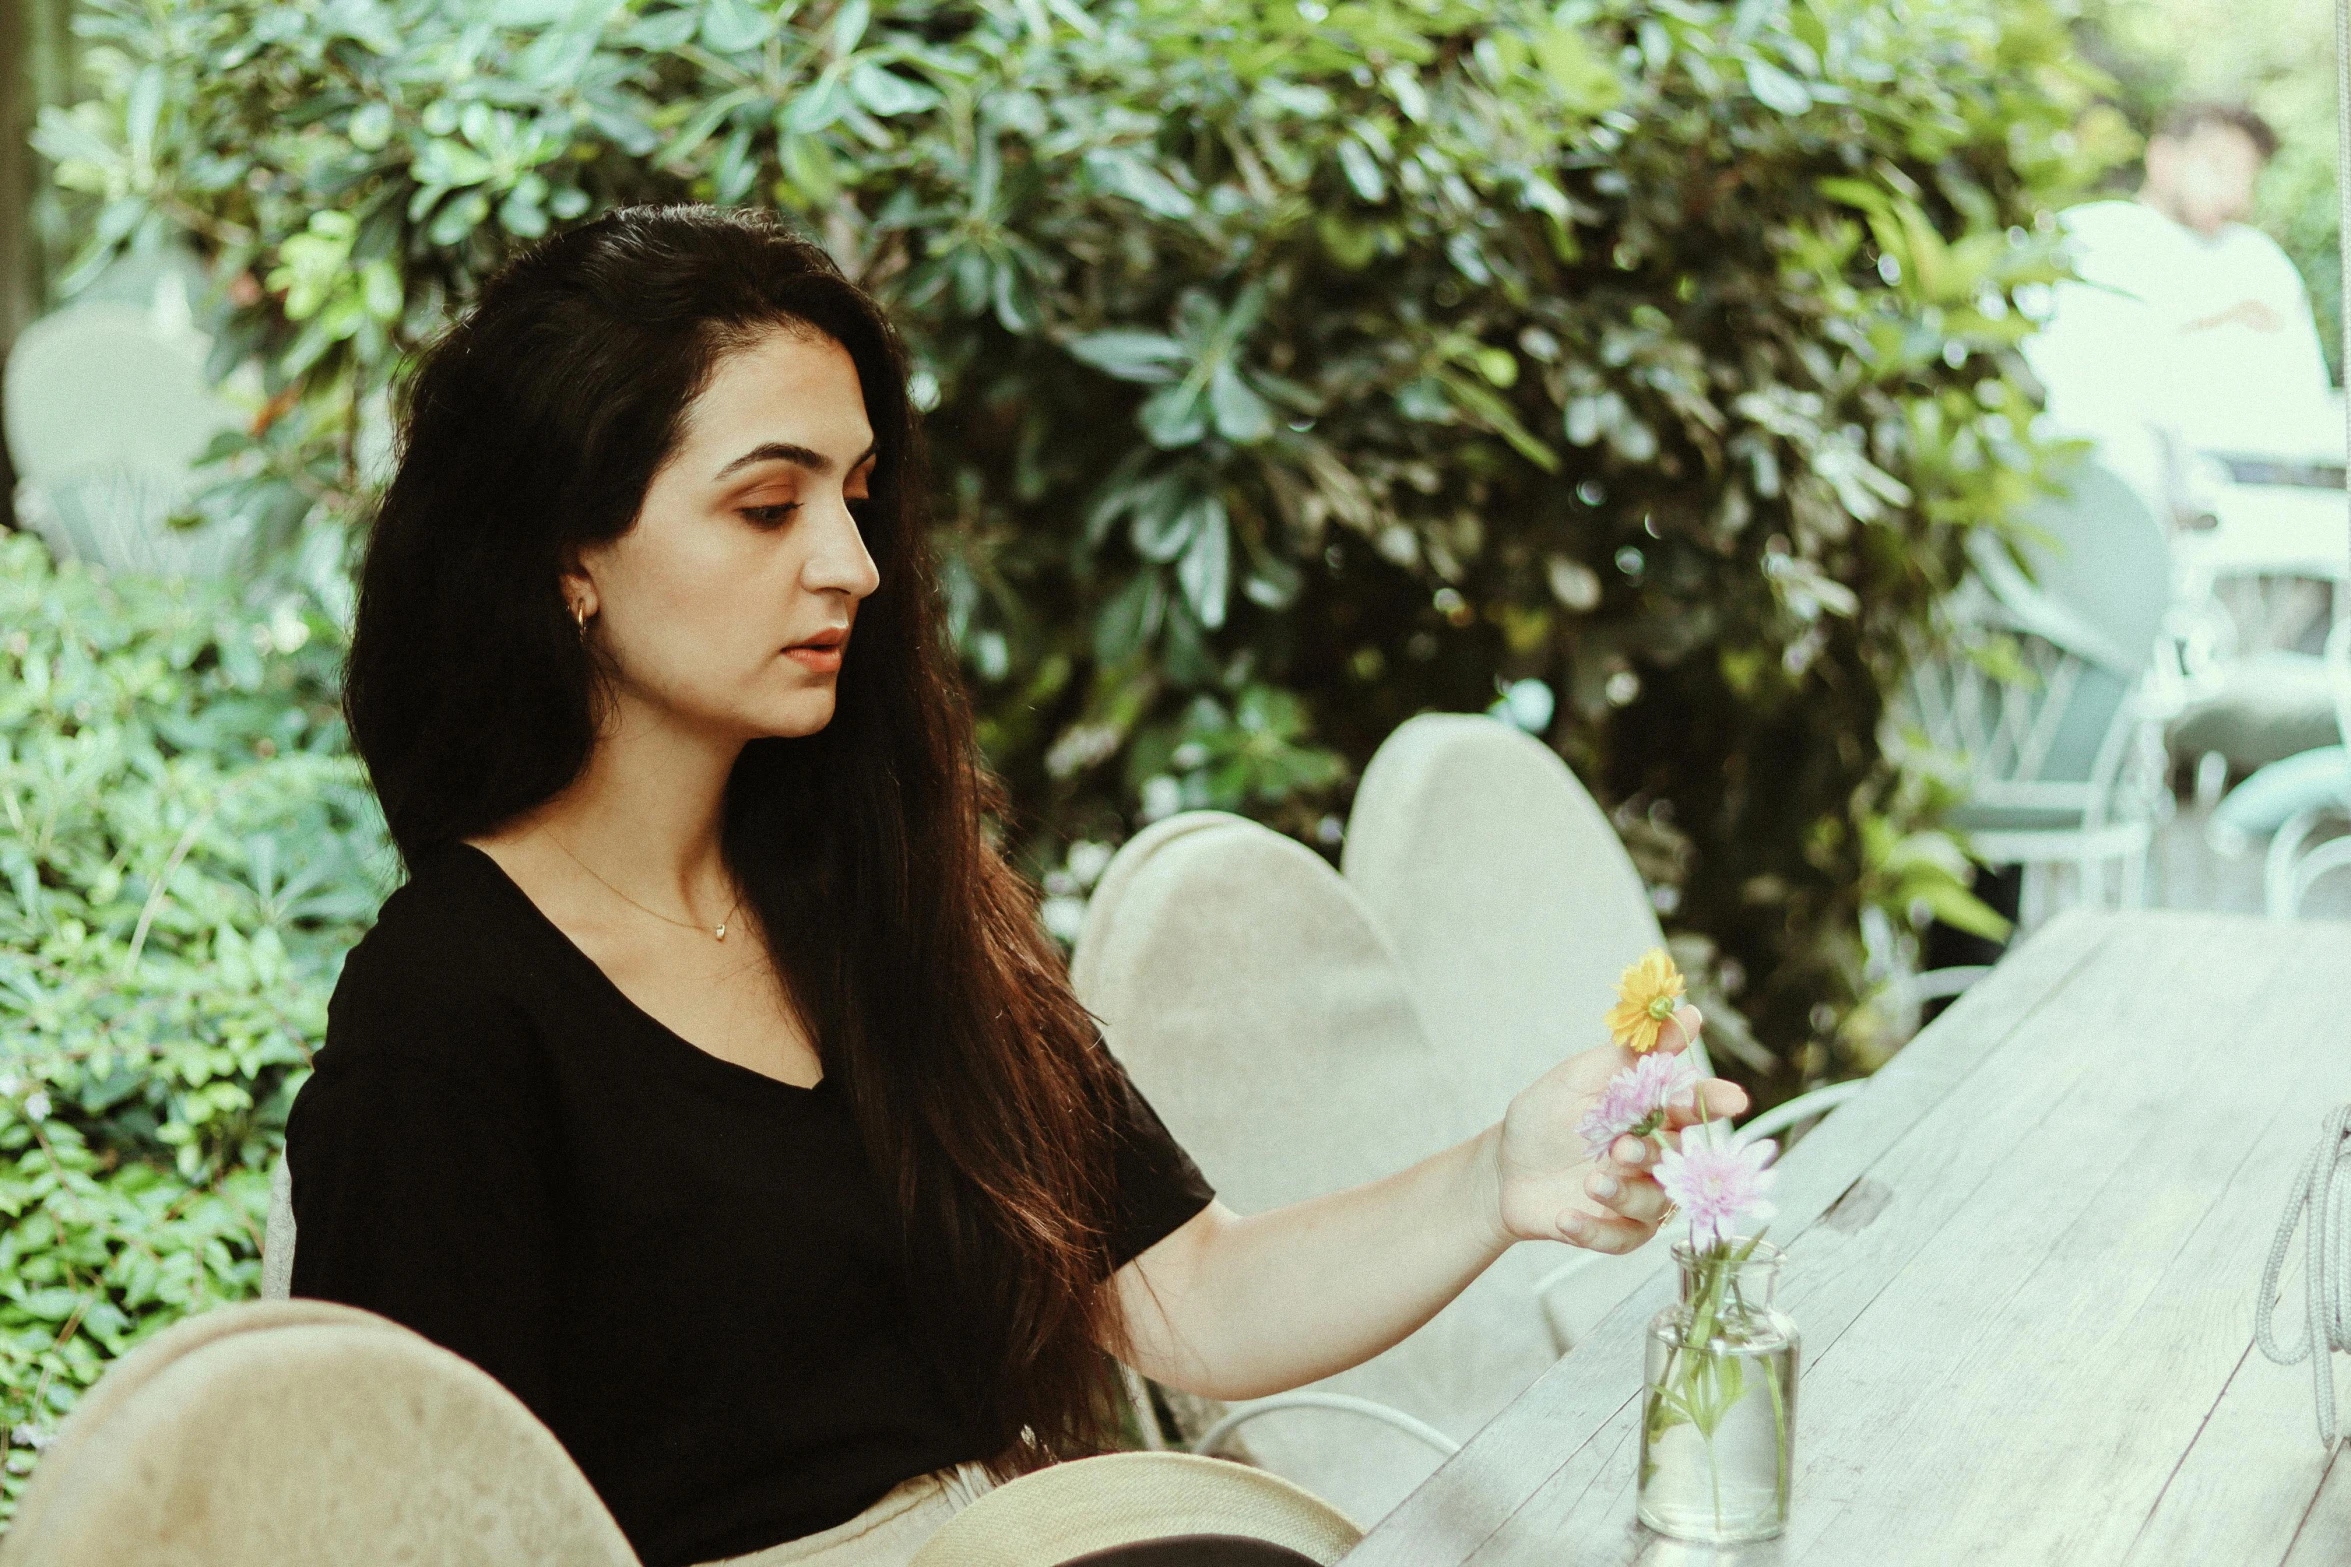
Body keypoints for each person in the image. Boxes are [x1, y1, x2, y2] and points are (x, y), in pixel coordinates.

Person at [285, 203, 1746, 1567]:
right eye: (764, 506)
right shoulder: (452, 1005)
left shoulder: (878, 899)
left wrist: (1501, 1175)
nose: (850, 561)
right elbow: (412, 1528)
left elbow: (1195, 1293)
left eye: (856, 497)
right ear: (567, 559)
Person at [2025, 101, 2335, 505]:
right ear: (2163, 159)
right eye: (2219, 167)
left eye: (2248, 178)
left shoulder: (2259, 262)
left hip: (2242, 493)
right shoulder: (2090, 235)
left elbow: (2298, 398)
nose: (2235, 193)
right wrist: (2215, 322)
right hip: (2096, 485)